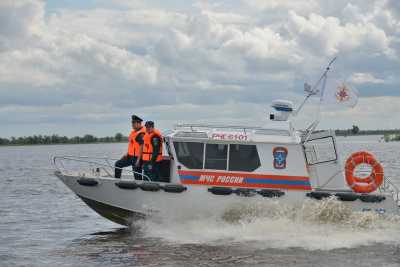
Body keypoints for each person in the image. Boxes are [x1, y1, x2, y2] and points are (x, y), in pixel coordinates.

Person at [114, 115, 146, 179]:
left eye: (134, 123)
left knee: (137, 176)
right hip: (130, 156)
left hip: (137, 157)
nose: (132, 125)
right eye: (132, 123)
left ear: (139, 123)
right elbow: (132, 146)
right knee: (118, 164)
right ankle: (116, 180)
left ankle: (139, 186)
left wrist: (138, 160)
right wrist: (126, 154)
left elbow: (141, 147)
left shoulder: (141, 133)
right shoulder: (133, 132)